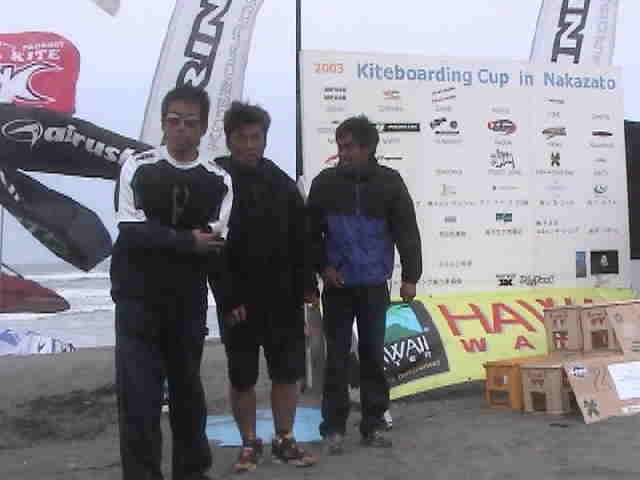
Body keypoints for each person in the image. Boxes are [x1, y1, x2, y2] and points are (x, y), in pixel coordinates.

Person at [110, 85, 232, 480]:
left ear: (203, 127)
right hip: (136, 300)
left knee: (188, 394)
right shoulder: (137, 167)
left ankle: (192, 472)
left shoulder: (218, 180)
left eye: (190, 122)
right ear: (163, 123)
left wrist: (165, 238)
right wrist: (185, 241)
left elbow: (213, 239)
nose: (181, 128)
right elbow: (130, 228)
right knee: (138, 399)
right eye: (174, 120)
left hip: (187, 302)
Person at [210, 101, 317, 473]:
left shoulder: (282, 183)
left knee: (287, 373)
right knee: (242, 376)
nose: (249, 145)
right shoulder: (216, 181)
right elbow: (212, 247)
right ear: (229, 140)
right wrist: (228, 298)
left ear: (265, 140)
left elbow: (302, 240)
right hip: (238, 300)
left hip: (283, 298)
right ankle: (249, 443)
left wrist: (307, 287)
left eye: (256, 137)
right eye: (241, 138)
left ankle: (284, 439)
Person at [307, 115, 422, 454]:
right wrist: (323, 267)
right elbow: (309, 234)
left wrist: (411, 276)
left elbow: (406, 231)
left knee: (372, 355)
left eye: (349, 147)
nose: (342, 153)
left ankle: (372, 424)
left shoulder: (390, 182)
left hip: (374, 285)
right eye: (340, 146)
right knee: (337, 358)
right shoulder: (324, 183)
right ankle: (333, 428)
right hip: (338, 287)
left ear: (368, 147)